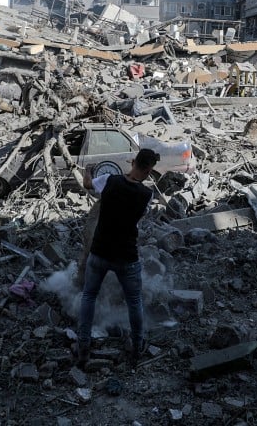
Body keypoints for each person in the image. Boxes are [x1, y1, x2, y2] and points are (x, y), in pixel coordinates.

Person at [75, 148, 159, 369]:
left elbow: (87, 185)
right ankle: (137, 348)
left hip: (100, 251)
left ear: (133, 161)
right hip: (126, 256)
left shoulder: (109, 180)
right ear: (149, 170)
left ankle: (83, 346)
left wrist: (87, 171)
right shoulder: (146, 195)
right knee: (134, 302)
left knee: (89, 296)